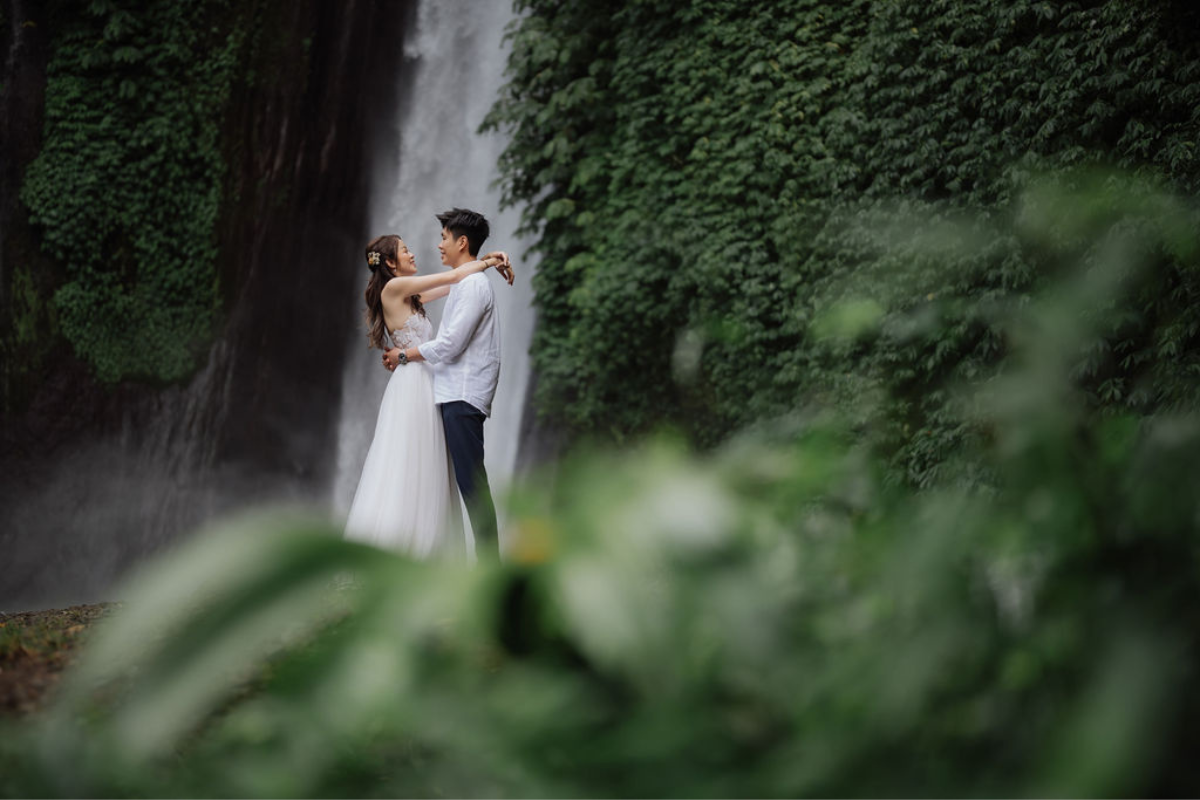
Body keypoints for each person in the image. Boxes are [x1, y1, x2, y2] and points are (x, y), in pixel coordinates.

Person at [344, 232, 512, 557]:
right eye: (405, 251)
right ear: (390, 263)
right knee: (408, 459)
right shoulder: (394, 288)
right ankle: (402, 548)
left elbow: (455, 285)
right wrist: (489, 260)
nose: (412, 254)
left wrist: (485, 266)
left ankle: (426, 546)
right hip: (411, 386)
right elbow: (452, 275)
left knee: (427, 460)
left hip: (426, 381)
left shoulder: (411, 297)